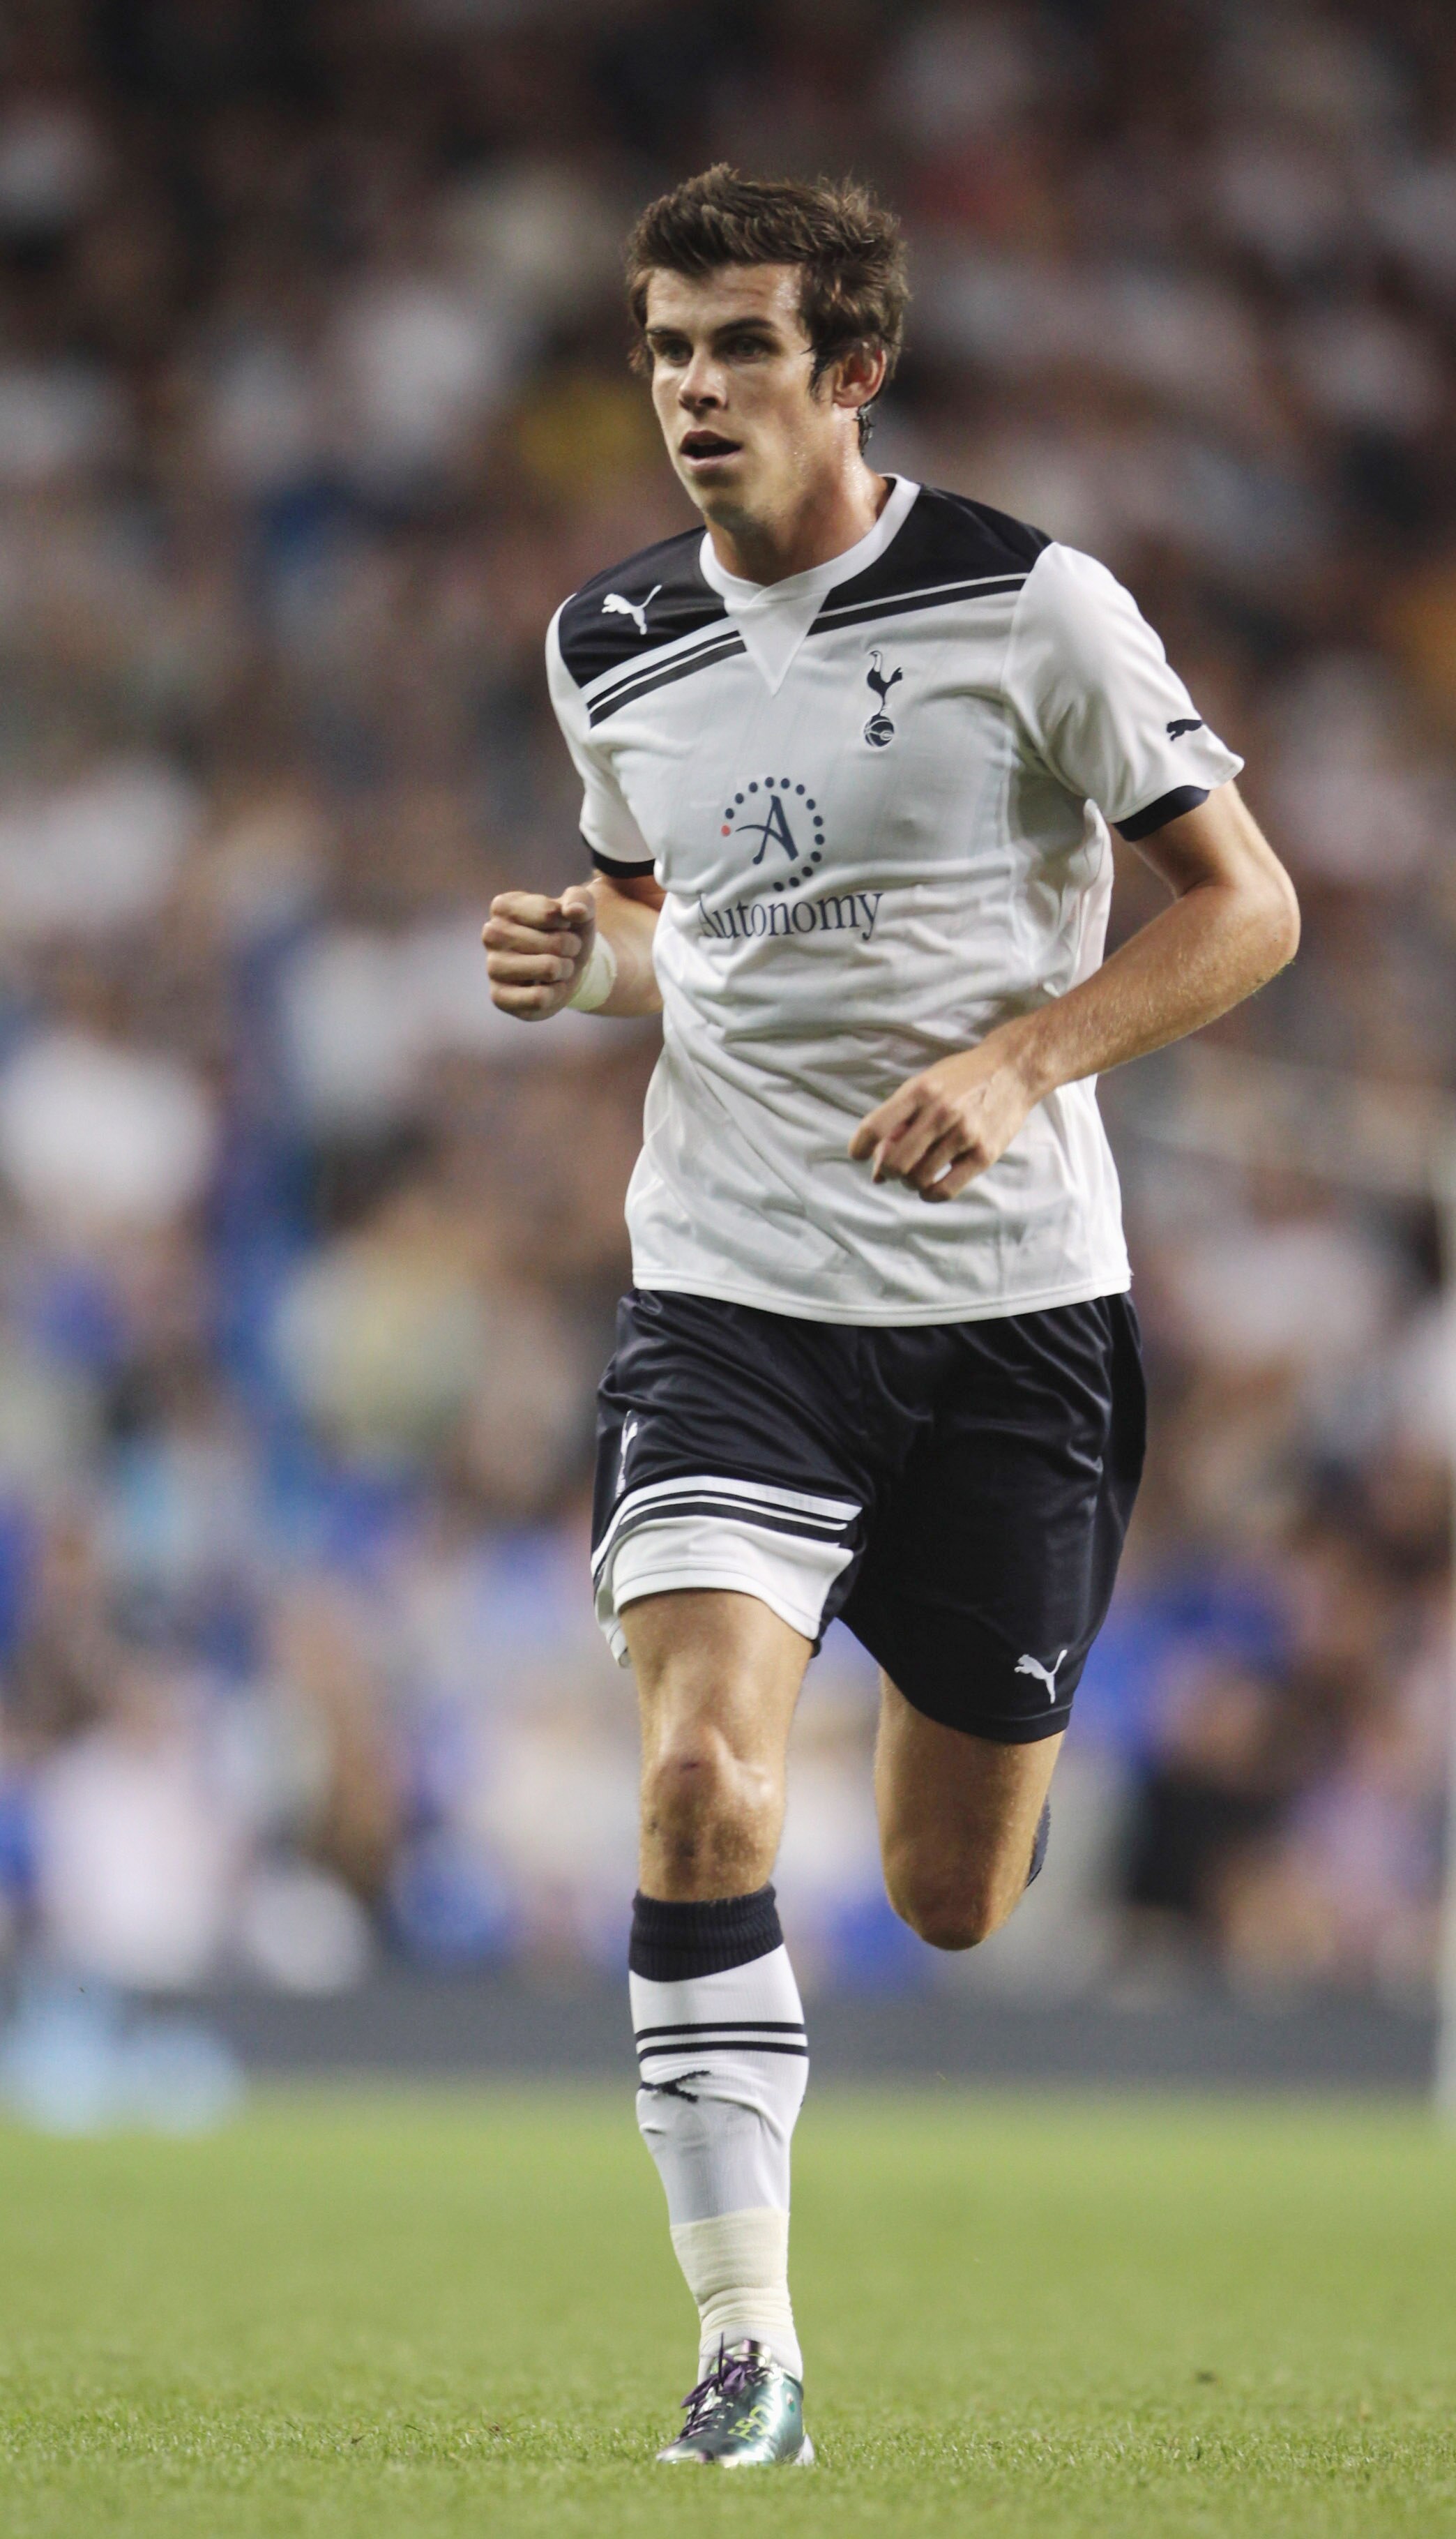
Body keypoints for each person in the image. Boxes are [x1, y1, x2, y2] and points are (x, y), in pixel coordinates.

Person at [483, 165, 1298, 2466]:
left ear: (853, 369)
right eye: (666, 349)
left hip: (1017, 1317)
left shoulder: (1036, 610)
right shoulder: (607, 638)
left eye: (741, 347)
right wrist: (588, 952)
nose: (693, 393)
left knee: (950, 1895)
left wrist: (1026, 1054)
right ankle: (749, 2344)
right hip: (733, 1291)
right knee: (701, 1777)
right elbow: (671, 915)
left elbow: (1253, 911)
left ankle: (963, 1736)